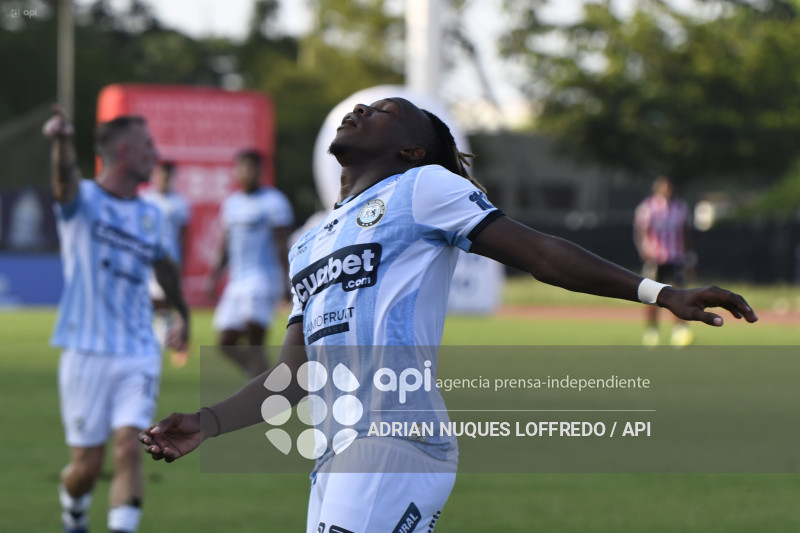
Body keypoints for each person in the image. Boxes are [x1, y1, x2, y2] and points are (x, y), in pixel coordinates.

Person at [140, 97, 757, 532]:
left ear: (411, 148)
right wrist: (209, 422)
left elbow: (540, 253)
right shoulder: (307, 243)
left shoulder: (423, 188)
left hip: (393, 439)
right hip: (335, 454)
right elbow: (294, 378)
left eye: (383, 111)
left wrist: (658, 293)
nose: (361, 110)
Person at [44, 107, 190, 533]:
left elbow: (165, 268)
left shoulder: (152, 214)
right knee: (85, 469)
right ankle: (74, 511)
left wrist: (182, 314)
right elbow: (62, 181)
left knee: (130, 446)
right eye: (149, 147)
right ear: (124, 151)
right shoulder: (84, 200)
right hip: (84, 351)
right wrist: (60, 141)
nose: (155, 155)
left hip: (138, 350)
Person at [206, 149, 294, 377]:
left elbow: (282, 246)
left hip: (263, 279)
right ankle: (266, 378)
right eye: (242, 167)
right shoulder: (232, 203)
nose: (247, 172)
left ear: (260, 171)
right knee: (225, 342)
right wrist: (215, 276)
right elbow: (226, 244)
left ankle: (263, 389)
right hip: (237, 280)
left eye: (252, 167)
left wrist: (287, 283)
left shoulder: (274, 202)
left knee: (255, 340)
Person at [634, 175, 695, 346]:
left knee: (678, 294)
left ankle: (679, 330)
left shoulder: (680, 207)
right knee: (651, 296)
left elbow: (686, 233)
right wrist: (644, 251)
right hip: (655, 259)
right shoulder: (648, 207)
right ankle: (651, 330)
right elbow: (640, 231)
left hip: (675, 257)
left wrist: (689, 258)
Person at [141, 161, 192, 367]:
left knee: (166, 303)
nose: (163, 180)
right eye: (160, 175)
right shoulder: (145, 200)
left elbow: (184, 236)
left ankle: (174, 342)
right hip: (149, 259)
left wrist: (183, 261)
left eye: (167, 176)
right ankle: (169, 340)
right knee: (154, 302)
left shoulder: (180, 203)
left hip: (170, 260)